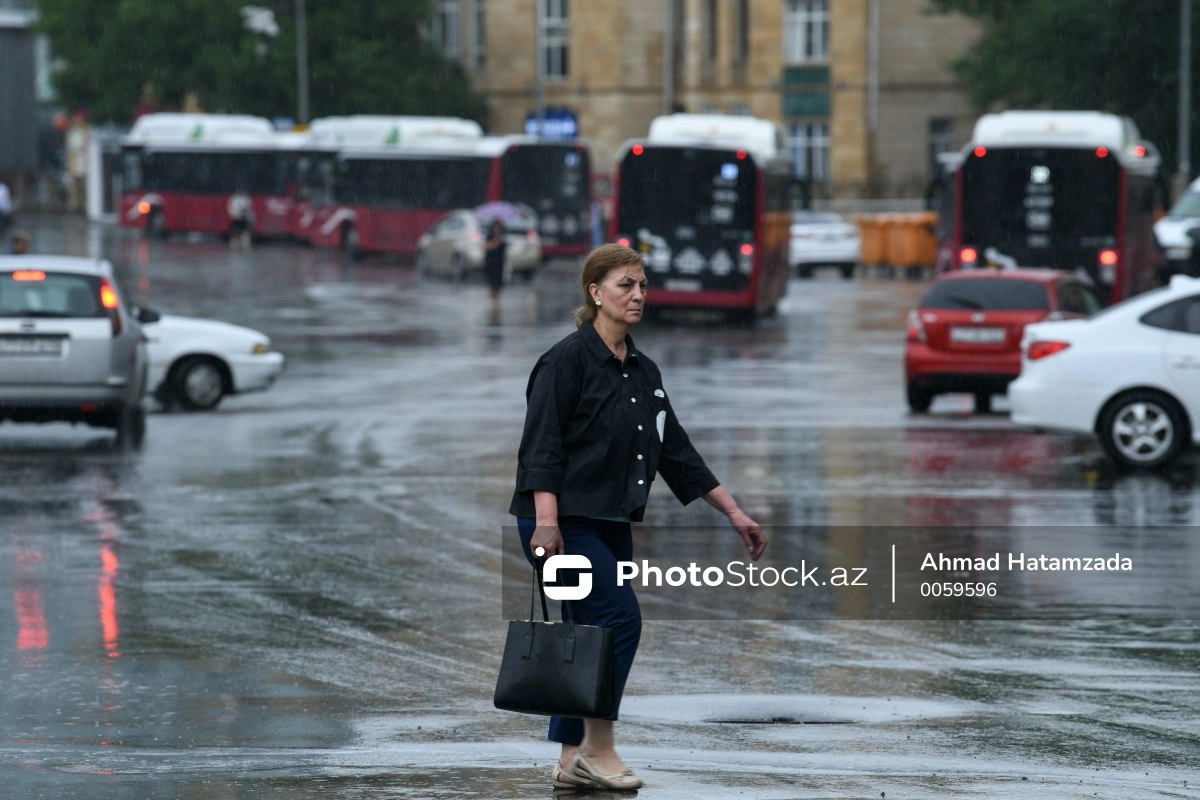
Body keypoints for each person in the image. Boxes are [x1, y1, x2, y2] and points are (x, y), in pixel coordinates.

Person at [508, 243, 767, 791]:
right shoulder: (565, 361)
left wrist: (734, 511)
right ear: (595, 292)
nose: (638, 295)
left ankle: (570, 757)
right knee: (619, 621)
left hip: (607, 522)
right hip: (560, 522)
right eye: (626, 285)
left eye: (643, 285)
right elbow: (542, 448)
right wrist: (547, 521)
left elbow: (676, 452)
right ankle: (599, 749)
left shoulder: (642, 371)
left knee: (589, 631)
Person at [484, 219, 507, 312]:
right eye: (495, 227)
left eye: (499, 227)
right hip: (491, 262)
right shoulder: (490, 237)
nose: (497, 229)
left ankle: (497, 299)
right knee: (492, 282)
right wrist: (495, 243)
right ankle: (491, 299)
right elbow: (486, 247)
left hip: (500, 263)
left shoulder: (502, 237)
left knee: (499, 282)